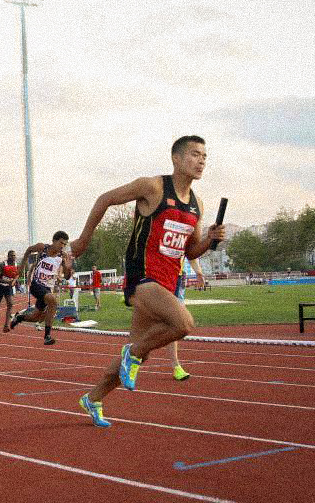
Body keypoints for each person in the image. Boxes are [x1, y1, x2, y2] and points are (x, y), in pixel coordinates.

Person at [70, 135, 225, 427]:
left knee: (141, 349)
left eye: (205, 156)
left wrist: (209, 239)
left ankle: (94, 398)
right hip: (142, 276)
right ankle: (133, 354)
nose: (202, 160)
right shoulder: (152, 187)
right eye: (195, 154)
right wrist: (83, 240)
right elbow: (105, 199)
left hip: (167, 281)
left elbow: (190, 250)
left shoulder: (197, 205)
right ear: (176, 159)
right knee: (183, 324)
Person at [8, 232, 73, 345]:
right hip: (36, 285)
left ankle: (19, 318)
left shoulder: (63, 257)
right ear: (54, 241)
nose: (62, 246)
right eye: (61, 243)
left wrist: (67, 268)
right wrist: (22, 266)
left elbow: (67, 277)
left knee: (36, 317)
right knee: (53, 301)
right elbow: (28, 250)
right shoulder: (43, 248)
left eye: (65, 244)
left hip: (47, 289)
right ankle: (47, 336)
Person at [170, 257, 206, 381]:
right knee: (155, 321)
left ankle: (176, 366)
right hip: (160, 277)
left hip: (178, 278)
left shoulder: (185, 237)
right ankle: (134, 353)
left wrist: (199, 273)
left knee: (177, 323)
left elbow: (191, 253)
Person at [0, 251, 20, 328]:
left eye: (15, 255)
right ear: (8, 256)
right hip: (0, 286)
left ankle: (6, 325)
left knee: (10, 304)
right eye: (12, 256)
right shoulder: (3, 264)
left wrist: (15, 281)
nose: (14, 257)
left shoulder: (16, 264)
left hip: (8, 288)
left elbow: (17, 274)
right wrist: (7, 281)